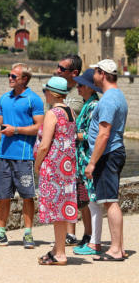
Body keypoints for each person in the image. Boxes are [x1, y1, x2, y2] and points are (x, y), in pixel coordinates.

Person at [0, 63, 44, 248]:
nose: (9, 78)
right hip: (3, 155)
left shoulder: (34, 99)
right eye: (9, 75)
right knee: (3, 195)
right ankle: (0, 234)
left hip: (24, 156)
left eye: (13, 76)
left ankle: (28, 234)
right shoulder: (4, 99)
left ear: (24, 79)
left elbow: (39, 128)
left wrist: (16, 130)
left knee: (27, 195)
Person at [85, 59, 127, 262]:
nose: (92, 75)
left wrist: (92, 162)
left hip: (108, 154)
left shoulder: (109, 99)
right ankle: (119, 246)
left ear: (102, 74)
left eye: (95, 71)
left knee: (110, 202)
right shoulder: (116, 95)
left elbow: (104, 133)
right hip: (112, 153)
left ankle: (116, 249)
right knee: (110, 200)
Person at [34, 76, 78, 265]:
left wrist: (37, 165)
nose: (44, 94)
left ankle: (60, 254)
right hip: (67, 167)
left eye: (45, 91)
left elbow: (44, 145)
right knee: (62, 208)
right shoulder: (71, 112)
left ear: (51, 93)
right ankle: (56, 249)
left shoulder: (52, 114)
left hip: (53, 167)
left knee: (56, 211)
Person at [72, 69, 104, 256]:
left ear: (90, 88)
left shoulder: (92, 107)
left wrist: (72, 136)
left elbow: (92, 135)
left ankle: (94, 243)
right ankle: (92, 240)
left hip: (87, 158)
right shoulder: (88, 104)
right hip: (82, 158)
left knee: (92, 201)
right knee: (90, 201)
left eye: (81, 85)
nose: (77, 87)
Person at [55, 54, 84, 245]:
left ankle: (77, 233)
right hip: (61, 150)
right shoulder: (60, 91)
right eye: (57, 67)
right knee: (65, 191)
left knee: (76, 192)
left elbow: (66, 116)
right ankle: (68, 233)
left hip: (76, 151)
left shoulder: (78, 94)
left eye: (62, 69)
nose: (57, 70)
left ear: (74, 73)